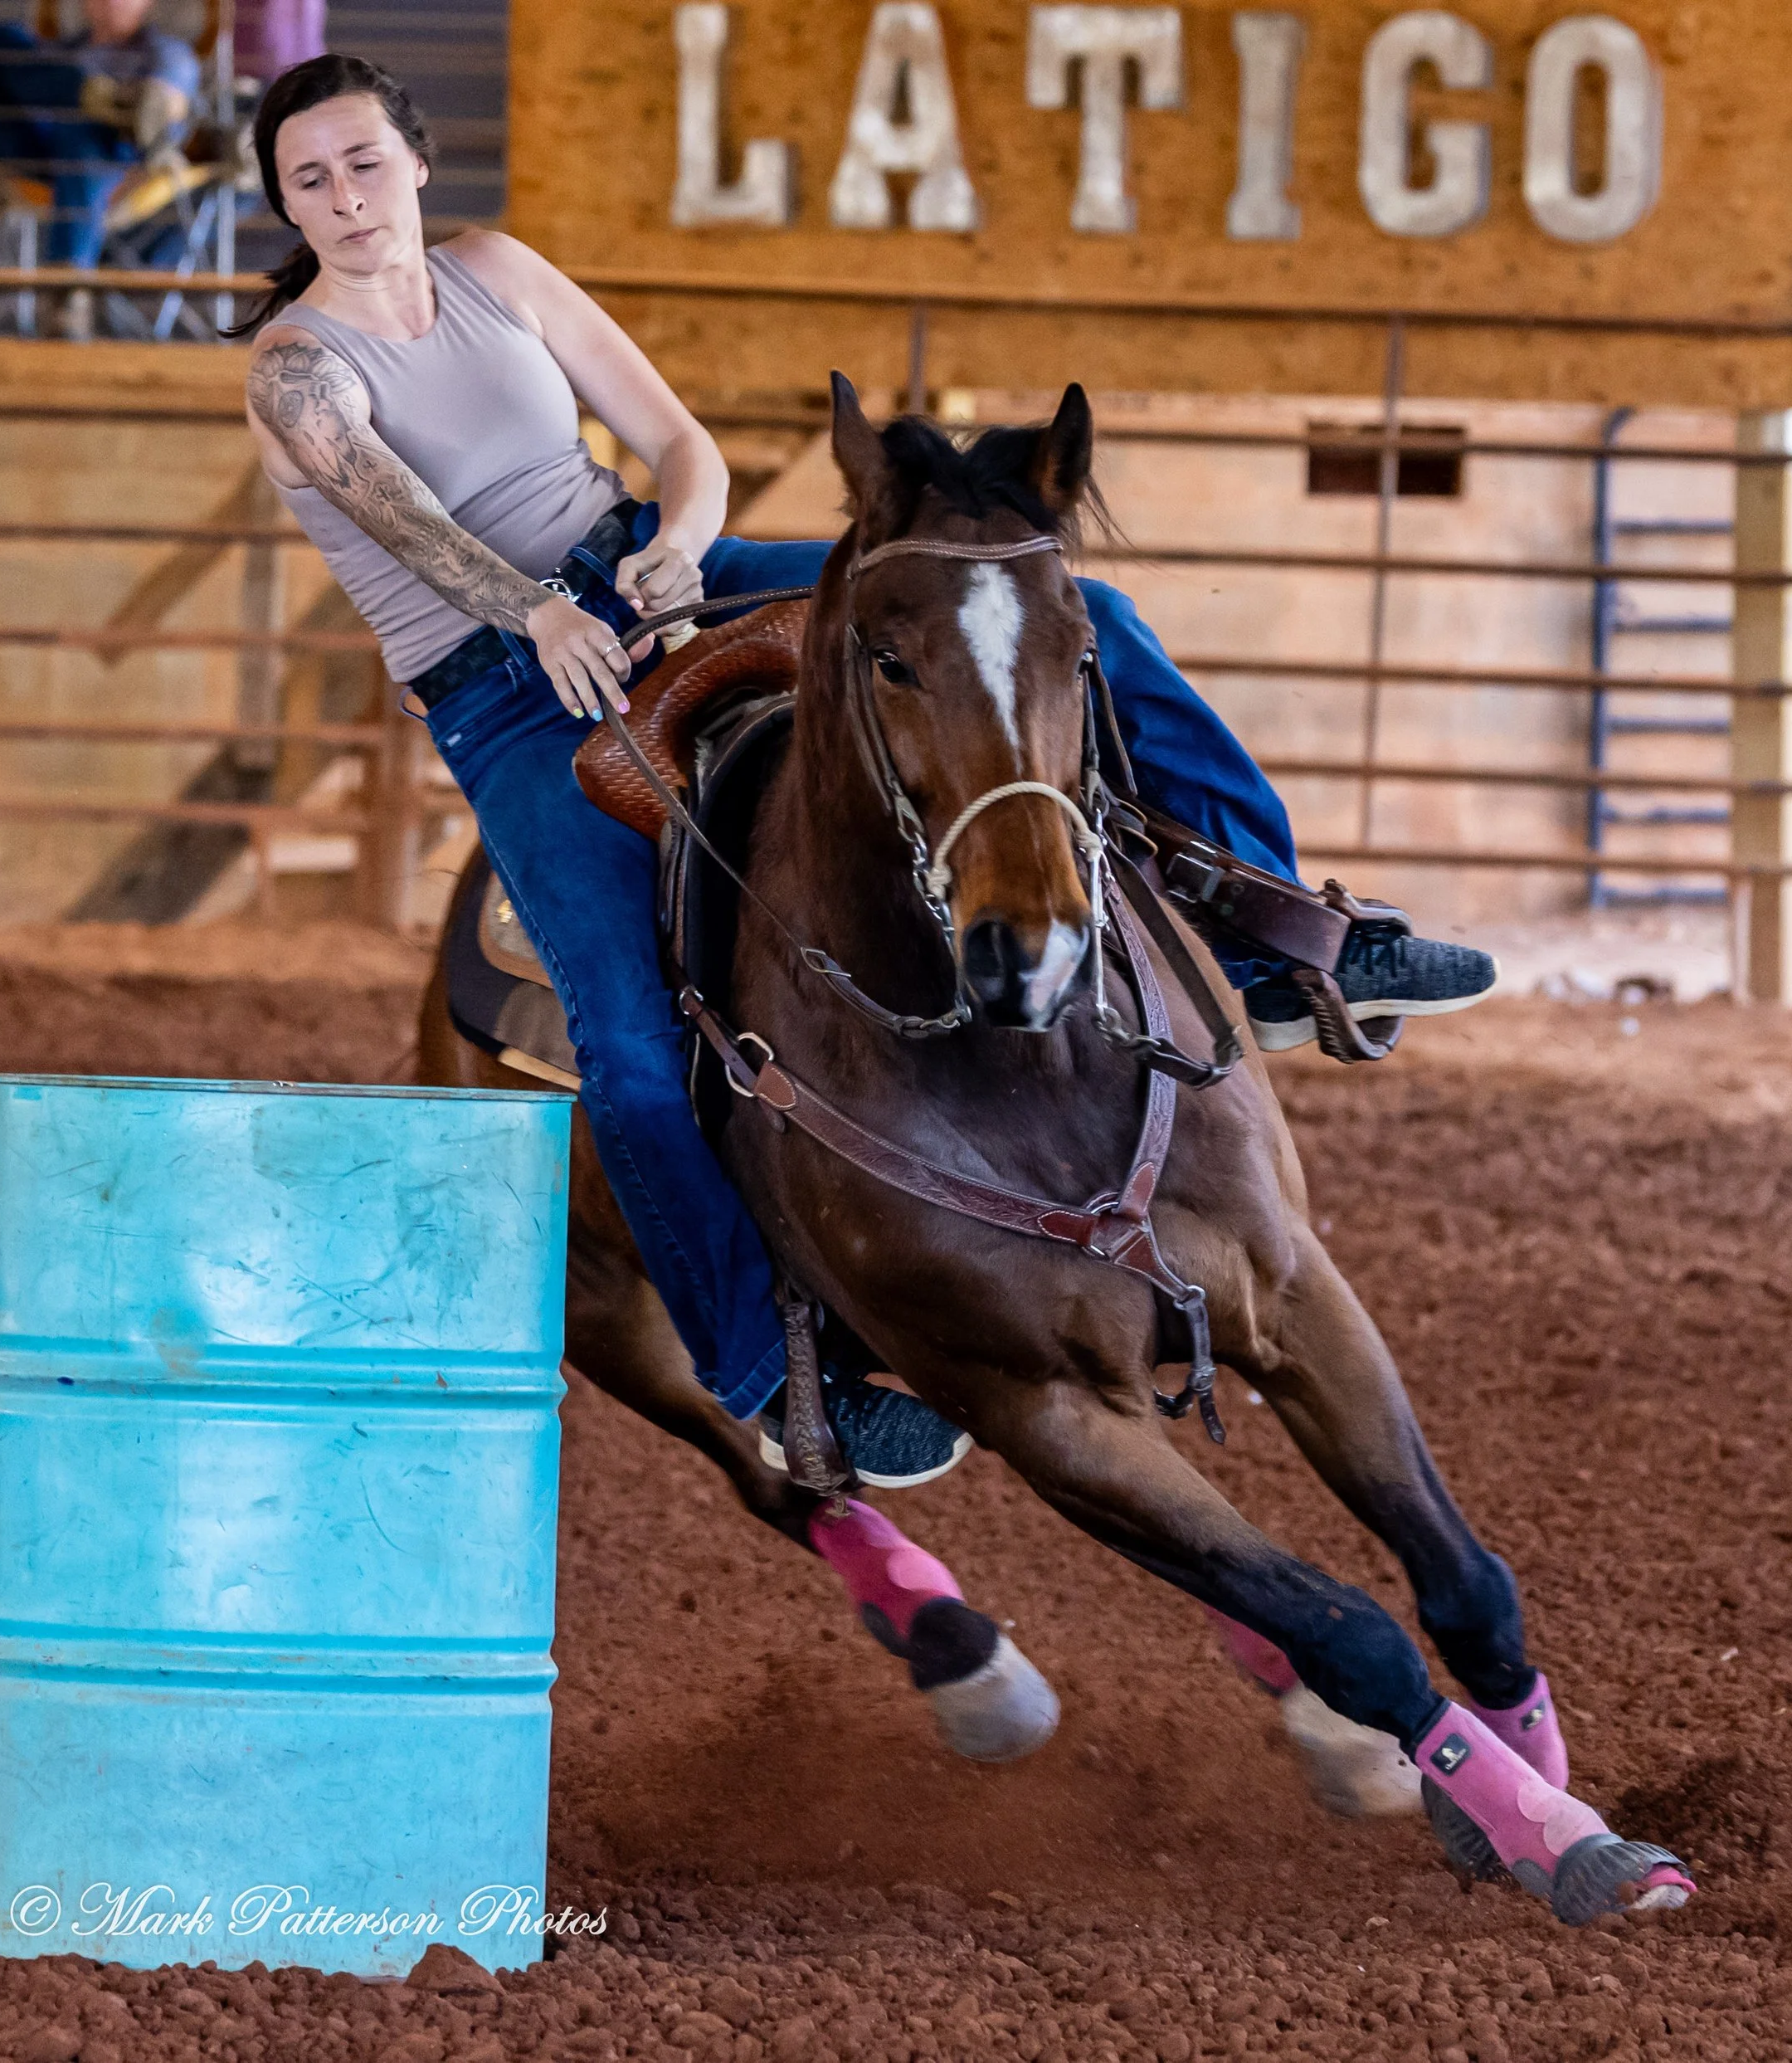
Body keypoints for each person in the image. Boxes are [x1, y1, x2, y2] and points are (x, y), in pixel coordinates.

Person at [239, 55, 1497, 1490]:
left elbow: (677, 441)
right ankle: (764, 1372)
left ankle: (1270, 927)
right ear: (285, 203)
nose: (344, 197)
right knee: (634, 1058)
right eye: (309, 180)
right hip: (505, 685)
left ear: (414, 158)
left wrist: (677, 542)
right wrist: (537, 612)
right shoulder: (295, 367)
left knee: (1071, 614)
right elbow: (410, 530)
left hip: (653, 575)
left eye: (362, 162)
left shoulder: (498, 269)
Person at [0, 0, 202, 332]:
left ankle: (67, 289)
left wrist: (154, 105)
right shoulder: (61, 50)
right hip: (32, 153)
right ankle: (93, 95)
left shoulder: (165, 52)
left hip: (114, 166)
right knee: (2, 39)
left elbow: (171, 103)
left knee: (82, 130)